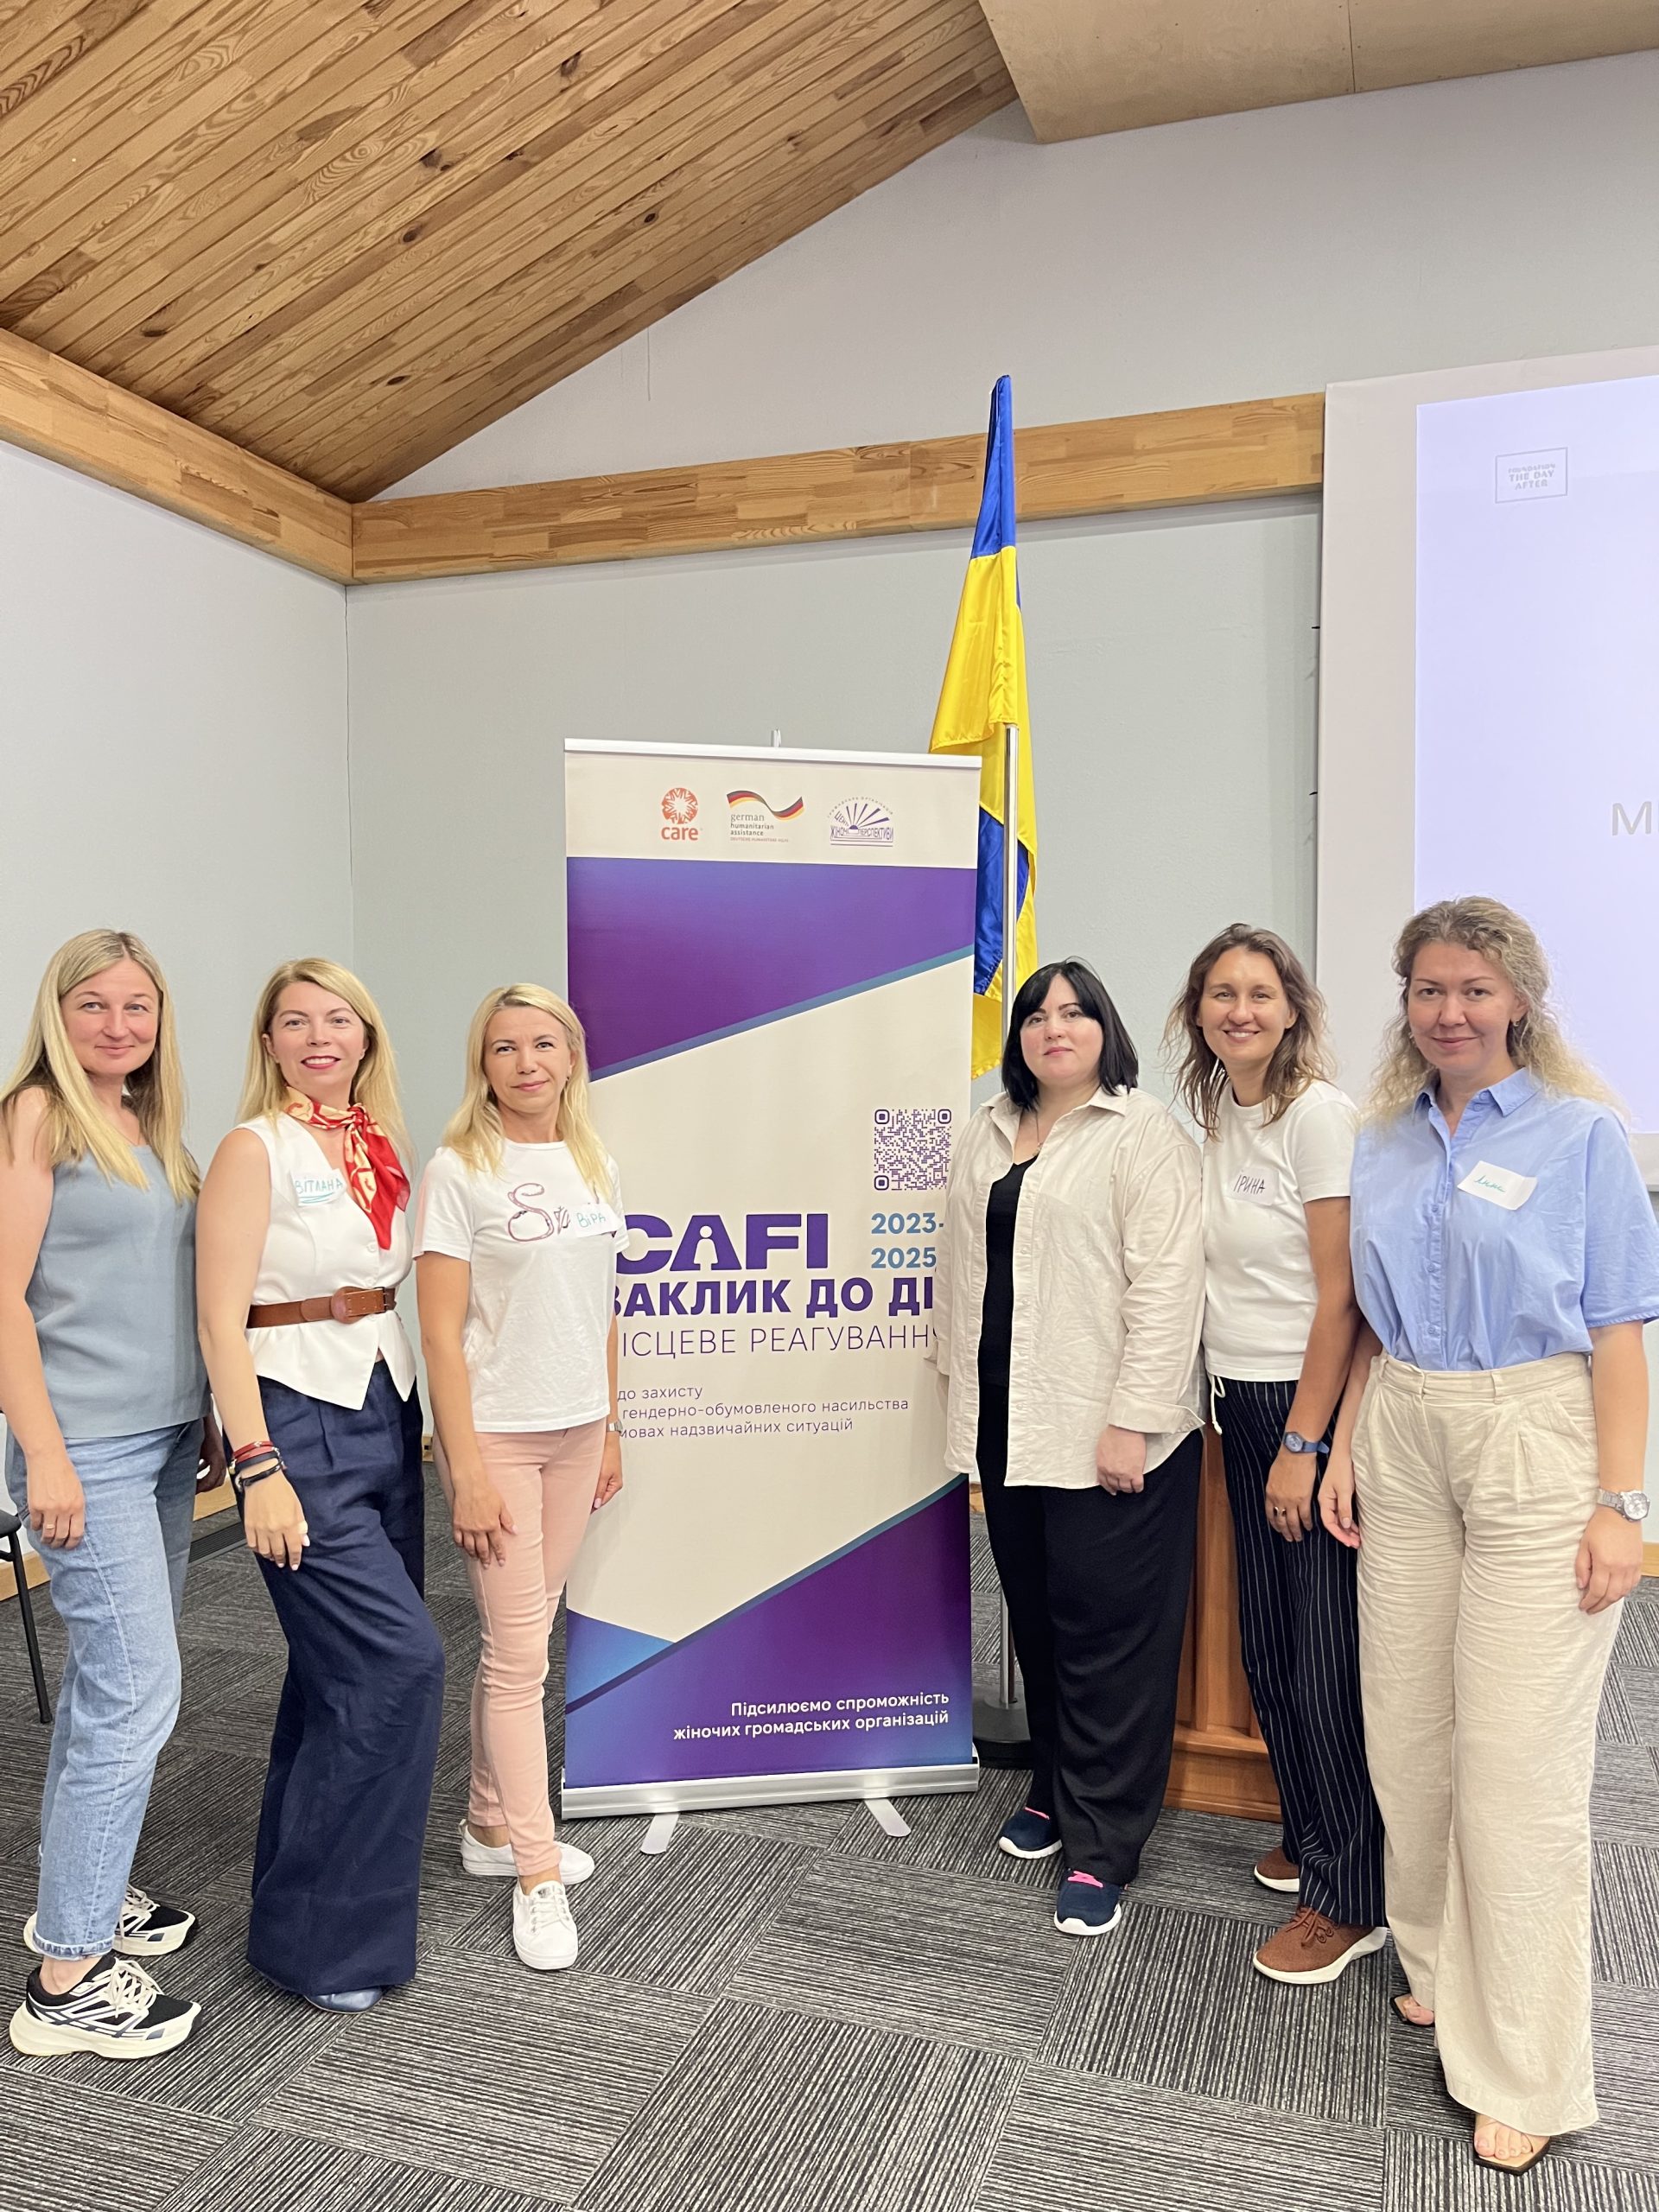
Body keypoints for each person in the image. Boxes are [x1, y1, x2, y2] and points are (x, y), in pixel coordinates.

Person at [1323, 896, 1659, 2175]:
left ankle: (1526, 2066)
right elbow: (1372, 1320)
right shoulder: (1386, 1136)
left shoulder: (1582, 1135)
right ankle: (1438, 1966)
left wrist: (1622, 1505)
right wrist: (1346, 1440)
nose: (1449, 1012)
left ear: (1519, 998)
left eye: (1473, 989)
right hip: (1405, 1428)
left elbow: (1619, 1333)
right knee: (1408, 1734)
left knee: (1517, 1767)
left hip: (1535, 1438)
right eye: (1428, 990)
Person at [931, 958, 1205, 1937]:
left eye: (1076, 1013)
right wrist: (957, 1399)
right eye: (1037, 1015)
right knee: (1039, 1620)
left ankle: (1104, 1842)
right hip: (1009, 1425)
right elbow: (956, 1269)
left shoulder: (1143, 1134)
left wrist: (1135, 1417)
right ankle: (1053, 1785)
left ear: (1105, 1031)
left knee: (1106, 1640)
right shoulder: (988, 1128)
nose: (1055, 1028)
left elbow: (1168, 1287)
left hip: (1107, 1433)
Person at [196, 958, 442, 2013]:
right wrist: (256, 1465)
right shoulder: (253, 1148)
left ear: (366, 1037)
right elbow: (219, 1319)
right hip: (294, 1417)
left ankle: (297, 1922)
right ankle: (329, 1947)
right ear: (269, 1043)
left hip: (385, 1408)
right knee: (399, 1665)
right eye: (294, 1022)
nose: (318, 1037)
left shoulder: (380, 1142)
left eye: (338, 1019)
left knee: (334, 1675)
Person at [0, 931, 219, 2060]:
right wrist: (42, 1454)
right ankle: (68, 1982)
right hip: (83, 1449)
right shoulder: (36, 1115)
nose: (118, 1025)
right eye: (95, 1004)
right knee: (138, 1694)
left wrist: (206, 1413)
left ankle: (82, 1889)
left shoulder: (149, 1122)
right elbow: (3, 1300)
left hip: (165, 1439)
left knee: (109, 1684)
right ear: (59, 1010)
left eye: (138, 1006)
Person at [1169, 924, 1383, 1986]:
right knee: (1269, 1649)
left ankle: (1351, 1897)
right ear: (1197, 1012)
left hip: (1305, 1407)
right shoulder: (1215, 1113)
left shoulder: (1318, 1116)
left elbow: (1342, 1297)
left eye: (1259, 992)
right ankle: (1310, 1832)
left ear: (1293, 1007)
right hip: (1236, 1404)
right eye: (1221, 993)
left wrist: (1304, 1442)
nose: (1239, 1010)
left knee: (1321, 1657)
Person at [416, 985, 626, 1973]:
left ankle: (487, 1824)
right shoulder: (458, 1168)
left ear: (571, 1056)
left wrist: (611, 1426)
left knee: (526, 1637)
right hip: (498, 1436)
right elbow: (440, 1336)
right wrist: (463, 1468)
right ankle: (536, 1872)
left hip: (577, 1432)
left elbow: (605, 1306)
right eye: (504, 1046)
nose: (527, 1061)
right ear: (483, 1064)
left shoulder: (593, 1160)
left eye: (544, 1042)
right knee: (516, 1658)